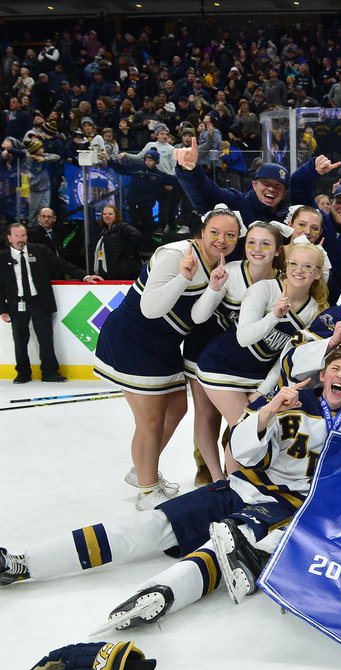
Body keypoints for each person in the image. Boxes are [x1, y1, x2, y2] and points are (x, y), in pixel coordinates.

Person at [0, 348, 341, 625]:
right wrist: (268, 410)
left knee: (226, 545)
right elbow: (243, 452)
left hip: (292, 508)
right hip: (245, 485)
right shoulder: (287, 400)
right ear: (323, 375)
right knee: (152, 524)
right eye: (335, 368)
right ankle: (25, 563)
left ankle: (162, 593)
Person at [93, 207, 240, 508]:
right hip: (134, 341)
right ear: (202, 231)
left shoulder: (220, 266)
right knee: (150, 419)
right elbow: (150, 308)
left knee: (176, 408)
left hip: (165, 346)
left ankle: (141, 470)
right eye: (215, 232)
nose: (221, 240)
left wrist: (214, 288)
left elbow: (198, 317)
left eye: (230, 235)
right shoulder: (175, 255)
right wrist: (183, 278)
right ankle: (147, 491)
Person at [197, 241, 328, 470]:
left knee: (261, 425)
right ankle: (224, 486)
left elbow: (285, 358)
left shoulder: (315, 310)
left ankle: (237, 484)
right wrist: (274, 316)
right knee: (243, 425)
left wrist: (261, 391)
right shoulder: (265, 289)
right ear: (286, 265)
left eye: (307, 267)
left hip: (257, 375)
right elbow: (244, 338)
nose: (298, 271)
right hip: (221, 366)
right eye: (294, 264)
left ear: (318, 273)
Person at [0, 222, 98, 383]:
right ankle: (23, 373)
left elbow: (62, 265)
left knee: (46, 338)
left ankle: (50, 372)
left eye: (23, 235)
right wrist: (2, 309)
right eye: (17, 236)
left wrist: (84, 276)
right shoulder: (3, 258)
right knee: (20, 339)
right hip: (17, 303)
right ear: (9, 238)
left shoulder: (40, 251)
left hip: (39, 301)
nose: (21, 239)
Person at [92, 204, 143, 281]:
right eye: (104, 214)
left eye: (110, 214)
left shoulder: (122, 227)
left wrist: (127, 252)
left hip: (125, 273)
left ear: (116, 215)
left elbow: (137, 235)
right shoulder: (103, 231)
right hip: (112, 273)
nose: (107, 216)